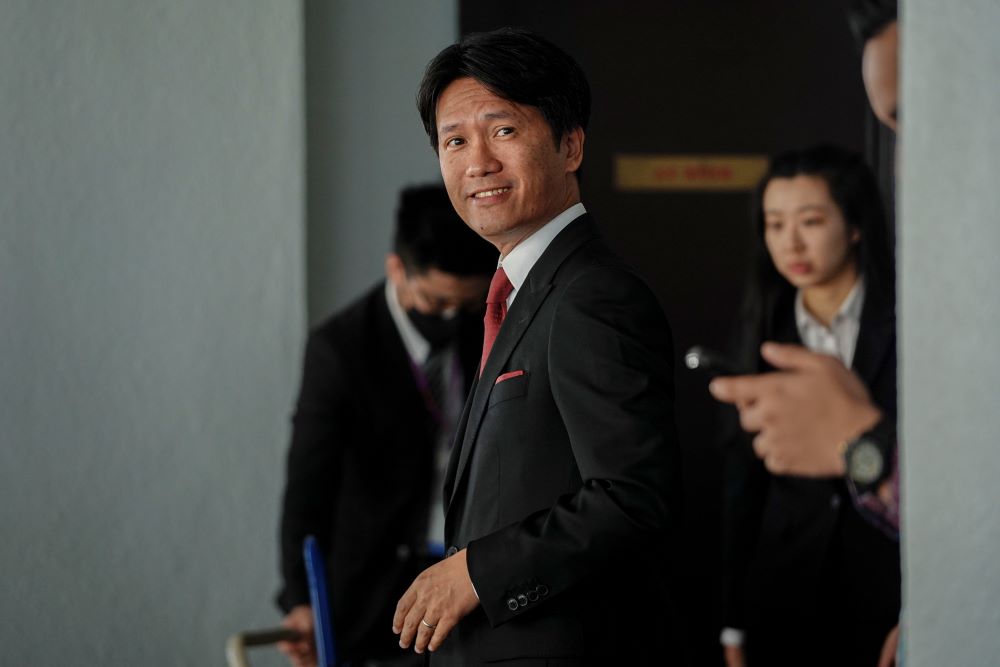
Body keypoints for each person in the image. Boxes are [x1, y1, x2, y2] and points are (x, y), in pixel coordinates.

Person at [391, 28, 681, 665]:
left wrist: (476, 572)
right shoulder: (518, 291)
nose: (478, 163)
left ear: (570, 145)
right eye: (455, 141)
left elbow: (631, 495)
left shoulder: (592, 293)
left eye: (503, 130)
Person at [275, 184, 495, 667]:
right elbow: (309, 483)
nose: (452, 316)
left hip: (468, 578)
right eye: (437, 302)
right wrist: (300, 599)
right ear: (397, 268)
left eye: (465, 304)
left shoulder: (485, 324)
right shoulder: (340, 350)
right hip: (374, 590)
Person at [718, 145, 900, 667]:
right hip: (785, 591)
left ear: (855, 226)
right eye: (775, 225)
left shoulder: (907, 319)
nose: (790, 242)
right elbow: (742, 484)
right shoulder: (762, 330)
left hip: (886, 592)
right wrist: (732, 620)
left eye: (811, 221)